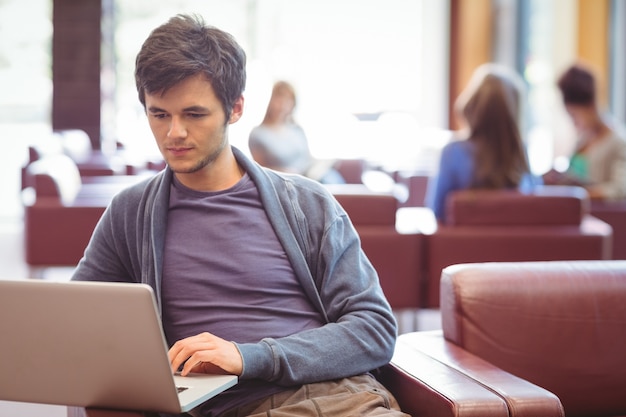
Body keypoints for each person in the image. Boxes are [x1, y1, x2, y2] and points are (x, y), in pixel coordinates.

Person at [71, 13, 407, 417]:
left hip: (336, 400)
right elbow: (79, 327)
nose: (174, 133)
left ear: (235, 109)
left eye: (194, 114)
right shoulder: (130, 214)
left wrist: (249, 357)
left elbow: (374, 329)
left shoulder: (308, 204)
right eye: (159, 114)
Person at [426, 63, 539, 222]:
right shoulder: (520, 152)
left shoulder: (452, 152)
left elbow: (438, 211)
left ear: (471, 105)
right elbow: (535, 205)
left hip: (462, 245)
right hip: (514, 246)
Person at [542, 63, 626, 199]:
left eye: (574, 115)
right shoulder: (583, 140)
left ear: (591, 106)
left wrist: (581, 193)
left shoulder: (618, 143)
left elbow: (621, 191)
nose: (574, 123)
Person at [248, 80, 345, 184]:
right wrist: (285, 172)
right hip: (287, 183)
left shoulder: (297, 129)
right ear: (271, 100)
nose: (283, 105)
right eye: (279, 99)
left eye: (288, 100)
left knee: (331, 178)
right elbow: (258, 170)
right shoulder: (258, 134)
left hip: (310, 176)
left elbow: (307, 157)